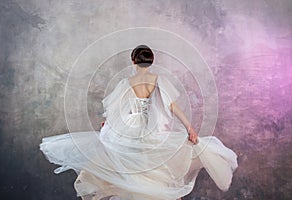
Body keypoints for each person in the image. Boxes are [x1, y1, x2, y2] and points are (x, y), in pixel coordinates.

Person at [40, 45, 238, 200]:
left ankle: (147, 192)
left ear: (133, 61)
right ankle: (166, 195)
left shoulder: (127, 83)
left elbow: (116, 108)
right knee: (156, 168)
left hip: (130, 129)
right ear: (151, 62)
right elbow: (172, 106)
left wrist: (108, 124)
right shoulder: (158, 80)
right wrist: (189, 127)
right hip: (153, 130)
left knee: (129, 166)